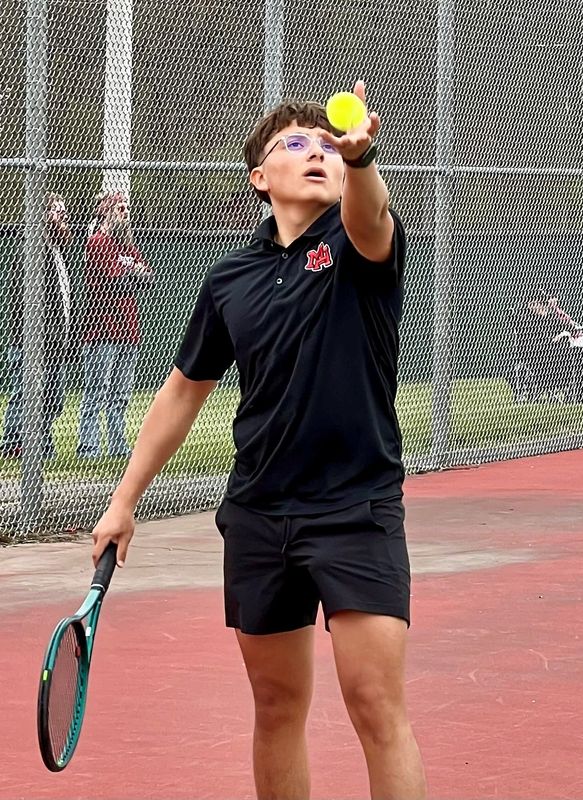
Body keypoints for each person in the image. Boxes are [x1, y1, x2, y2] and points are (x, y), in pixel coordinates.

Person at [91, 81, 427, 799]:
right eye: (294, 144)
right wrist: (123, 501)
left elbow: (372, 217)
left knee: (376, 705)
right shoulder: (230, 279)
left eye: (327, 147)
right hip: (258, 516)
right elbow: (182, 390)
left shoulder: (359, 243)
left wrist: (363, 157)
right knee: (276, 708)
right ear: (259, 177)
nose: (316, 153)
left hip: (356, 511)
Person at [76, 191, 153, 459]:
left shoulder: (127, 245)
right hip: (102, 329)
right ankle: (89, 447)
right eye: (119, 208)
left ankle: (118, 445)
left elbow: (149, 278)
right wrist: (134, 275)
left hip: (128, 329)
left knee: (121, 394)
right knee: (96, 392)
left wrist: (132, 275)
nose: (125, 212)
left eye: (126, 208)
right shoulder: (98, 242)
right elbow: (115, 281)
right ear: (106, 211)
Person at [1, 192, 73, 460]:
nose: (63, 215)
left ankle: (39, 442)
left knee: (53, 399)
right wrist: (43, 336)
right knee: (25, 393)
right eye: (56, 210)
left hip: (55, 341)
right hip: (31, 341)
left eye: (64, 210)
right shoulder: (31, 249)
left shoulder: (56, 251)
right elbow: (27, 300)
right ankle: (14, 443)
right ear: (42, 215)